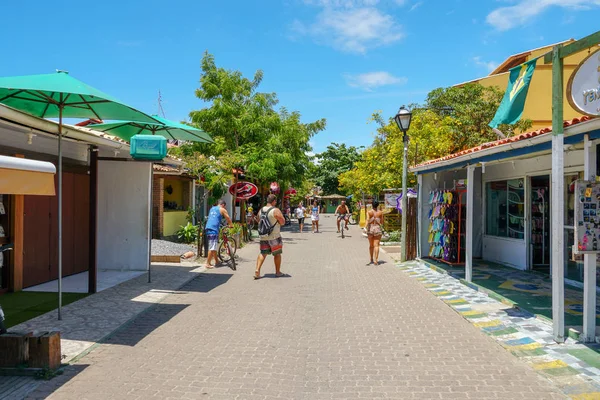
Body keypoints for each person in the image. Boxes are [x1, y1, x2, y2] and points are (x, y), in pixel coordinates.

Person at [255, 194, 286, 279]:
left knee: (263, 253)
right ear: (274, 201)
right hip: (274, 236)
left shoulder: (261, 210)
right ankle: (278, 272)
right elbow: (283, 222)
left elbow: (257, 219)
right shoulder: (275, 210)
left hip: (263, 236)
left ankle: (257, 270)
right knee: (277, 254)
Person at [204, 200, 233, 269]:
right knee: (212, 247)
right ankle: (207, 263)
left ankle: (217, 261)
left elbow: (214, 218)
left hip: (208, 227)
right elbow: (228, 218)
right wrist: (231, 225)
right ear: (223, 205)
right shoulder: (222, 209)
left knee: (213, 246)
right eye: (224, 206)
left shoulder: (212, 208)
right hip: (213, 229)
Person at [366, 200, 384, 265]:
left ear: (372, 205)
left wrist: (365, 227)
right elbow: (382, 222)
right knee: (376, 245)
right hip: (377, 229)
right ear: (378, 205)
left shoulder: (369, 212)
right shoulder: (380, 212)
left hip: (370, 229)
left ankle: (371, 259)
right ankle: (376, 260)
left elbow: (368, 220)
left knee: (371, 245)